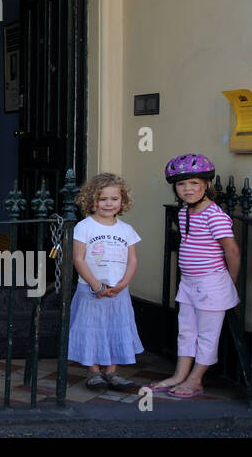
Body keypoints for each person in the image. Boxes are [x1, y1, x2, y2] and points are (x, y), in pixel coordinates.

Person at [150, 153, 241, 398]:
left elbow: (231, 249)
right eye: (181, 184)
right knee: (186, 329)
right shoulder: (184, 214)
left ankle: (196, 379)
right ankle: (180, 375)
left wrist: (230, 282)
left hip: (212, 283)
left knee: (207, 334)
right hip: (189, 283)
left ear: (206, 185)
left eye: (194, 183)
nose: (187, 189)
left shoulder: (215, 215)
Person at [67, 172, 144, 392]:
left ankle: (112, 371)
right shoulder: (84, 226)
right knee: (90, 329)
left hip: (118, 291)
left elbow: (133, 260)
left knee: (116, 328)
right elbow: (78, 258)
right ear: (92, 200)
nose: (109, 204)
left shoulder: (126, 230)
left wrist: (122, 284)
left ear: (122, 201)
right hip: (90, 290)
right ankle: (93, 372)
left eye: (114, 199)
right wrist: (96, 285)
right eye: (103, 199)